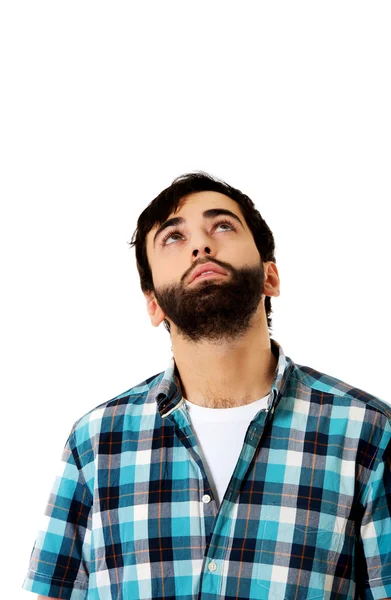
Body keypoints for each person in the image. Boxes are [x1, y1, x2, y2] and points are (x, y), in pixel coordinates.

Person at [23, 172, 391, 600]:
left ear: (270, 276)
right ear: (154, 304)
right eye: (173, 238)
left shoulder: (369, 432)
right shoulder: (95, 443)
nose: (201, 245)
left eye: (222, 226)